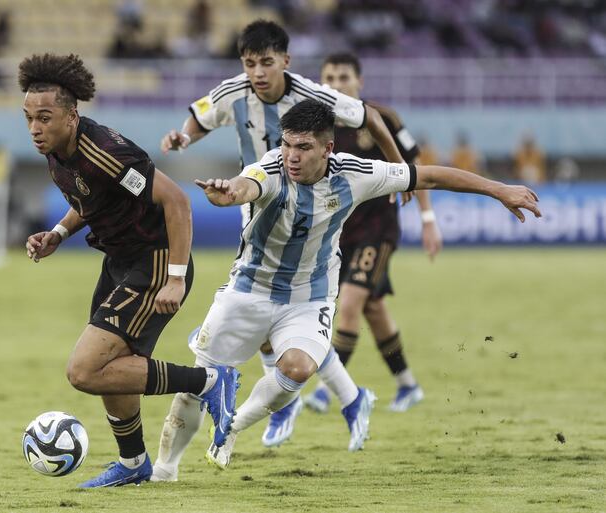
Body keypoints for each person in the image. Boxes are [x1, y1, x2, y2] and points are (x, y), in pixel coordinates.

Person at [152, 99, 540, 475]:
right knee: (196, 389)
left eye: (304, 147)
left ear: (328, 148)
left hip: (310, 296)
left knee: (298, 368)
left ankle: (230, 429)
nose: (292, 156)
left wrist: (498, 189)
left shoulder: (355, 173)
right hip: (248, 291)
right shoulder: (269, 169)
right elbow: (244, 186)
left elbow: (431, 175)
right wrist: (227, 193)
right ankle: (164, 470)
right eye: (287, 144)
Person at [158, 19, 407, 449]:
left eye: (266, 63)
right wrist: (184, 137)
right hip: (257, 200)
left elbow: (372, 117)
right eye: (250, 63)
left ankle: (295, 400)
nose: (257, 72)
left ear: (285, 62)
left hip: (310, 204)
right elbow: (201, 118)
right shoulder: (231, 92)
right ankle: (348, 397)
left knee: (282, 304)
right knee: (276, 310)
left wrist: (399, 170)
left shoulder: (314, 95)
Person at [18, 53, 239, 488]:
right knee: (109, 367)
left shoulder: (105, 151)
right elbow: (91, 200)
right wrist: (59, 234)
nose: (34, 128)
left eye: (44, 117)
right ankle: (135, 463)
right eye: (28, 118)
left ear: (71, 115)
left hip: (153, 261)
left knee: (83, 371)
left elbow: (175, 201)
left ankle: (210, 380)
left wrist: (175, 276)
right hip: (119, 263)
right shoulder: (58, 150)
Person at [303, 53, 442, 415]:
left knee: (349, 302)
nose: (335, 84)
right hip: (337, 232)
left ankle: (325, 391)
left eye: (343, 77)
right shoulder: (313, 124)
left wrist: (428, 218)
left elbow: (416, 168)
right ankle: (408, 384)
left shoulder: (382, 118)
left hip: (378, 229)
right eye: (328, 77)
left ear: (359, 82)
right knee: (374, 308)